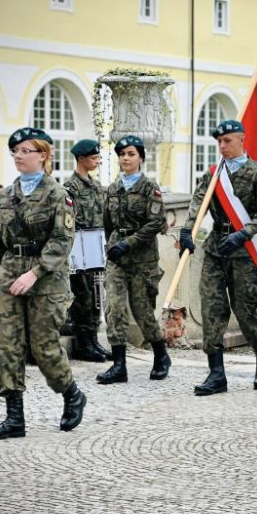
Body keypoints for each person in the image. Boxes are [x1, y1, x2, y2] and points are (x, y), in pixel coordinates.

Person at [0, 126, 86, 439]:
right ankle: (15, 418)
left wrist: (35, 273)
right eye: (15, 151)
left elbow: (61, 240)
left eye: (26, 150)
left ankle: (72, 394)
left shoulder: (58, 195)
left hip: (48, 280)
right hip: (11, 273)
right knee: (8, 345)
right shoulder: (6, 196)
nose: (18, 156)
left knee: (44, 348)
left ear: (43, 155)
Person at [179, 120, 257, 396]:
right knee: (212, 308)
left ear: (241, 141)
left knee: (246, 310)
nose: (223, 146)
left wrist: (244, 233)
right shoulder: (213, 174)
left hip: (244, 250)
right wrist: (188, 230)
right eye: (219, 142)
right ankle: (216, 373)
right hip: (216, 247)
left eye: (228, 141)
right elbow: (197, 204)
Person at [96, 135, 171, 384]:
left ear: (141, 157)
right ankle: (119, 366)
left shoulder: (150, 188)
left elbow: (157, 223)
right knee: (114, 309)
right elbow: (108, 223)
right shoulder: (113, 189)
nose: (125, 158)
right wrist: (112, 246)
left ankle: (161, 355)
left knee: (142, 313)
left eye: (130, 154)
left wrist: (127, 243)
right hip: (117, 258)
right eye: (122, 154)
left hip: (142, 259)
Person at [64, 138, 111, 363]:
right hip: (78, 248)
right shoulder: (70, 187)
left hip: (94, 246)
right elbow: (68, 220)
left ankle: (93, 341)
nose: (97, 161)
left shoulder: (94, 185)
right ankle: (84, 344)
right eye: (94, 158)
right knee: (82, 295)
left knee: (95, 296)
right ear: (81, 159)